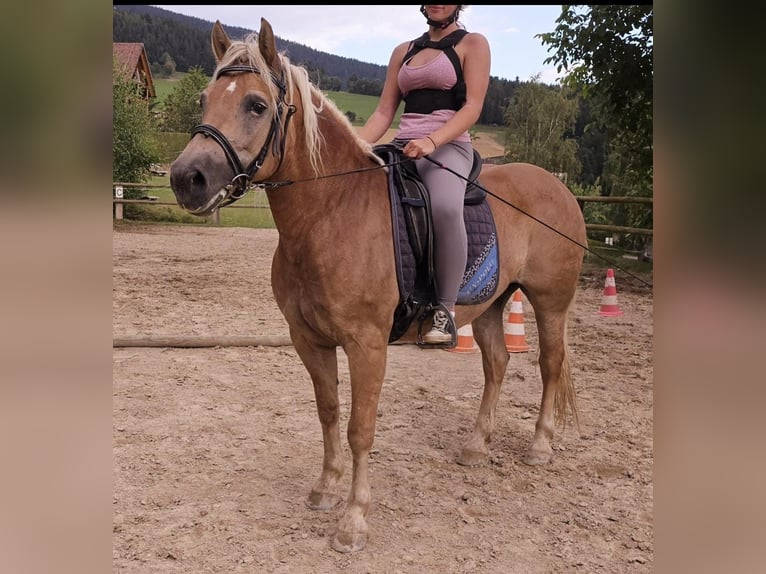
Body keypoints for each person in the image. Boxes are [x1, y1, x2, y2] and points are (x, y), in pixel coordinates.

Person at [358, 5, 491, 344]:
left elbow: (472, 107)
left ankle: (444, 312)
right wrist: (353, 145)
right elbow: (384, 112)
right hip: (403, 146)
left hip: (448, 146)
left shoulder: (472, 44)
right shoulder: (403, 51)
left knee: (445, 207)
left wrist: (432, 141)